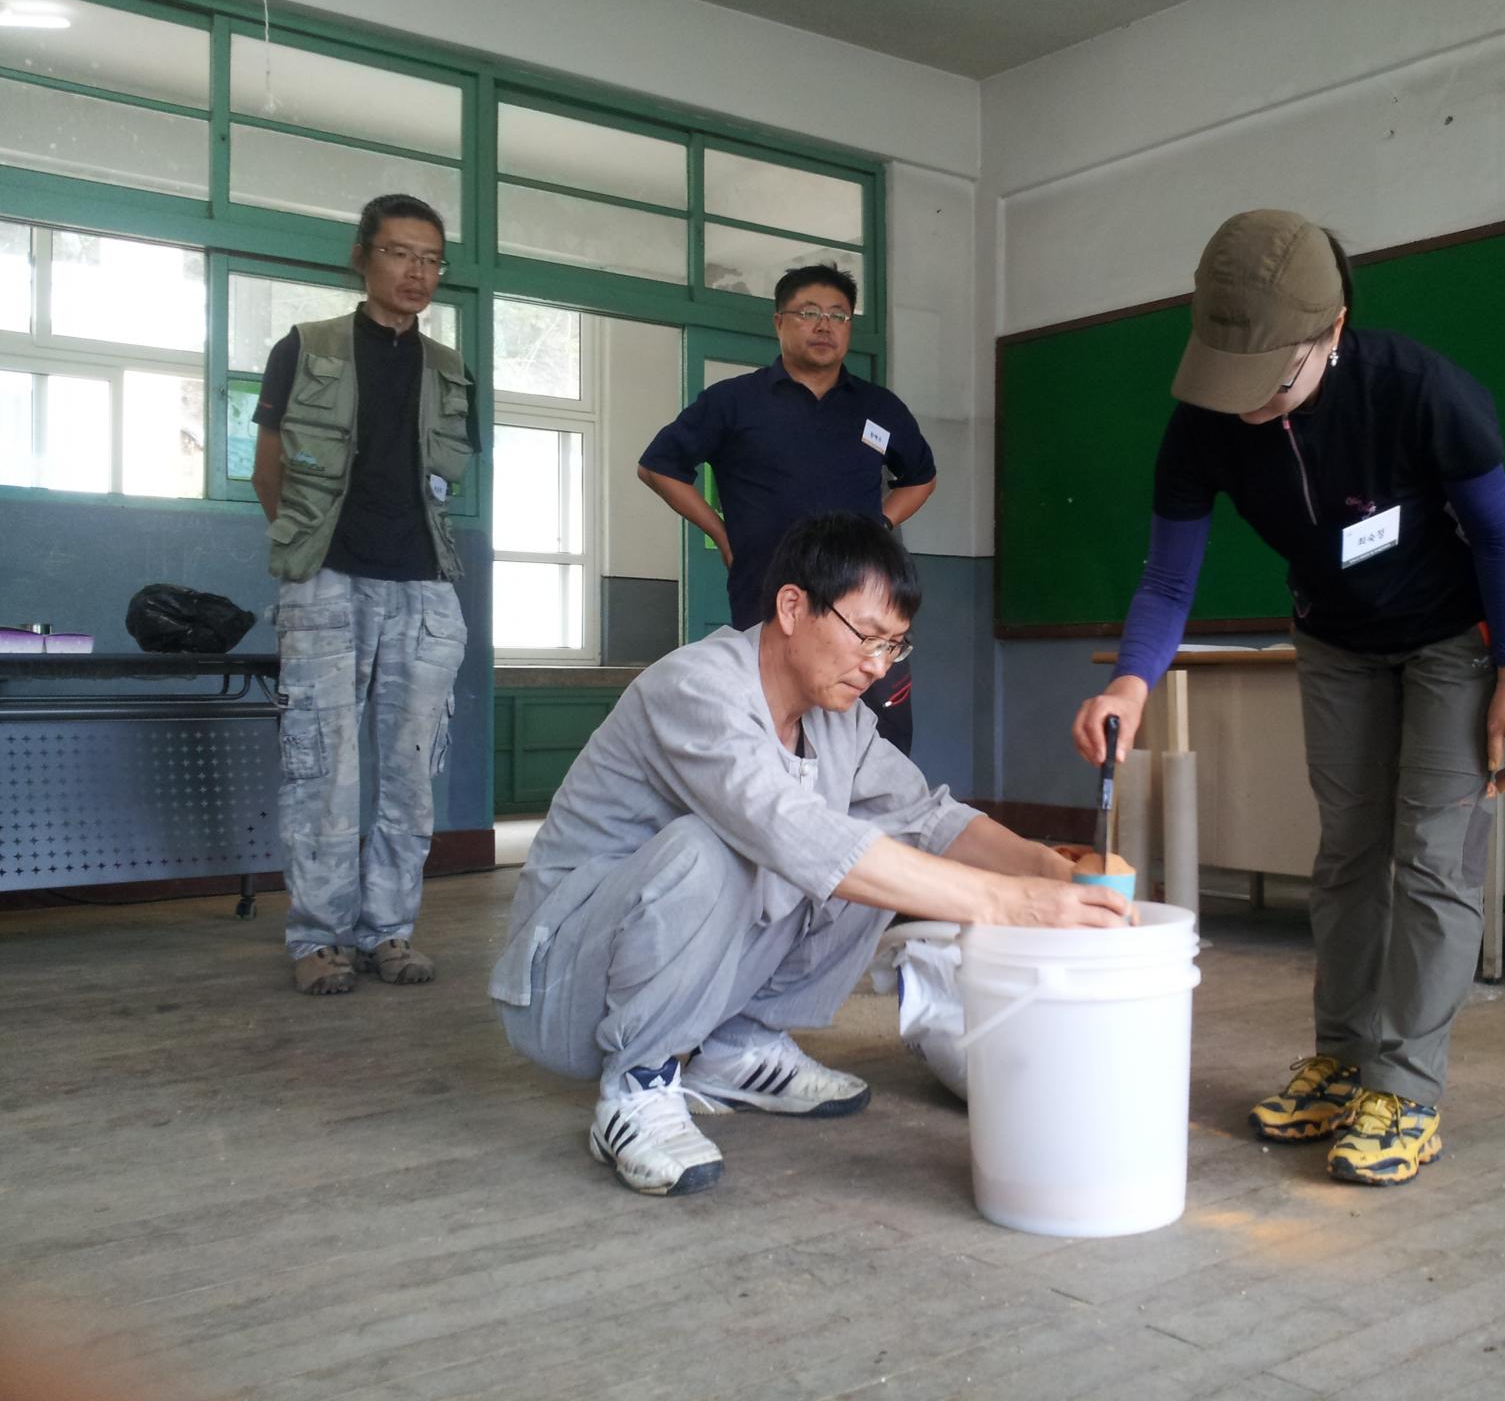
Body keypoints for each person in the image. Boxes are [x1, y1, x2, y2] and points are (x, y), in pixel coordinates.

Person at [1071, 210, 1505, 1186]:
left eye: (1271, 379)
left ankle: (1406, 1089)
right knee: (1348, 853)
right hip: (1334, 640)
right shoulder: (1204, 419)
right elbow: (1168, 577)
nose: (1245, 404)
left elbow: (1500, 538)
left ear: (1333, 331)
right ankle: (1344, 1059)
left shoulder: (1421, 391)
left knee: (1433, 859)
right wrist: (1130, 681)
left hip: (1451, 641)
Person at [491, 512, 1126, 1198]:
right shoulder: (697, 688)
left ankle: (738, 1048)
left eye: (894, 646)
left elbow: (925, 817)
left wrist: (1053, 870)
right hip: (566, 987)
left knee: (884, 840)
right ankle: (637, 1085)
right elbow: (788, 831)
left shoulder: (839, 721)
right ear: (793, 607)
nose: (878, 666)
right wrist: (1010, 904)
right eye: (867, 638)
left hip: (691, 979)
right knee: (718, 848)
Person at [251, 194, 478, 997]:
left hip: (425, 588)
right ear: (362, 256)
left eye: (431, 259)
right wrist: (312, 556)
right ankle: (318, 937)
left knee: (411, 773)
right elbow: (268, 472)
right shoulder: (305, 348)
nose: (417, 272)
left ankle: (388, 930)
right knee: (323, 766)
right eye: (399, 253)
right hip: (329, 582)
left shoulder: (450, 368)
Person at [638, 264, 934, 754]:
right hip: (767, 595)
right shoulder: (734, 401)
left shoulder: (879, 408)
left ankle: (873, 809)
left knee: (879, 744)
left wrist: (879, 524)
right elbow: (657, 467)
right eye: (809, 313)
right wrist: (721, 533)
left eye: (838, 315)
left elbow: (921, 478)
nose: (825, 325)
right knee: (773, 740)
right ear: (779, 322)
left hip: (865, 607)